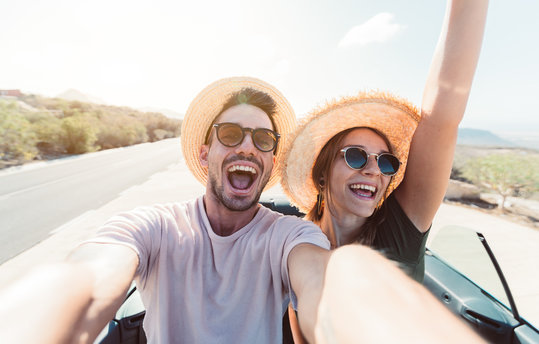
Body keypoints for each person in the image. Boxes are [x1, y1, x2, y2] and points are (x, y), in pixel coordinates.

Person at [0, 76, 486, 343]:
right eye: (230, 135)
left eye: (263, 139)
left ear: (271, 160)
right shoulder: (150, 226)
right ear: (205, 153)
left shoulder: (290, 238)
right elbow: (82, 283)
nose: (247, 147)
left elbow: (329, 286)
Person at [280, 0, 490, 341]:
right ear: (321, 172)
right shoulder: (291, 239)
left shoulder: (402, 227)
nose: (374, 170)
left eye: (387, 162)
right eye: (357, 156)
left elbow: (442, 113)